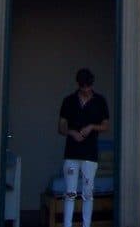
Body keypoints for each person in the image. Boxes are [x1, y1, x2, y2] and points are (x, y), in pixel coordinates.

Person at [56, 69, 110, 227]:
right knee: (70, 193)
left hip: (90, 153)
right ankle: (68, 224)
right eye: (83, 87)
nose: (86, 90)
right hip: (72, 152)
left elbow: (106, 125)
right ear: (79, 85)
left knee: (88, 193)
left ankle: (86, 225)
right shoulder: (69, 101)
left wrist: (92, 127)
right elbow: (60, 127)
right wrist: (71, 132)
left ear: (91, 85)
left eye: (88, 87)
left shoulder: (100, 101)